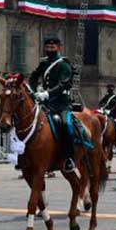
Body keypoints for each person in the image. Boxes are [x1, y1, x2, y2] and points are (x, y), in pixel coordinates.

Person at [28, 37, 77, 171]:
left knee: (65, 124)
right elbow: (33, 77)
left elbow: (64, 84)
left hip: (61, 103)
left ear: (59, 48)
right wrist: (33, 90)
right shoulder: (44, 63)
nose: (50, 49)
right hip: (45, 103)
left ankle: (68, 158)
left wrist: (47, 93)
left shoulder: (64, 64)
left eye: (53, 47)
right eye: (48, 47)